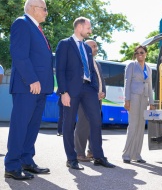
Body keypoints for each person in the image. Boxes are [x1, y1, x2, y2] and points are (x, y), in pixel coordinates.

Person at [55, 17, 115, 170]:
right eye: (88, 28)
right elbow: (60, 70)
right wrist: (63, 92)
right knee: (69, 123)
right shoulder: (65, 44)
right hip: (71, 89)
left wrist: (95, 88)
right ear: (80, 27)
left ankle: (98, 156)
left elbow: (92, 71)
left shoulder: (87, 49)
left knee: (96, 121)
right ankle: (71, 158)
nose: (90, 31)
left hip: (88, 89)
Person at [4, 0, 54, 180]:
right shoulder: (22, 24)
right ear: (34, 8)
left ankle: (26, 160)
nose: (46, 12)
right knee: (20, 125)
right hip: (28, 86)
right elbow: (19, 55)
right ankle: (12, 165)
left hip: (40, 87)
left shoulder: (37, 29)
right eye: (45, 8)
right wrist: (32, 79)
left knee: (32, 126)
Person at [74, 39, 106, 162]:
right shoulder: (81, 62)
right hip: (85, 99)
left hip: (98, 99)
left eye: (96, 46)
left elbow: (101, 80)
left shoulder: (97, 63)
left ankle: (92, 152)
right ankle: (79, 153)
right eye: (92, 46)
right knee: (83, 125)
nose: (95, 48)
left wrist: (103, 92)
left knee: (95, 126)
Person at [123, 45, 155, 164]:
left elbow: (150, 85)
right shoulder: (131, 65)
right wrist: (127, 100)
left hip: (144, 98)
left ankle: (137, 154)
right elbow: (127, 82)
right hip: (134, 97)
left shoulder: (149, 68)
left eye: (141, 52)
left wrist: (151, 102)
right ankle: (126, 154)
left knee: (141, 127)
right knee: (133, 125)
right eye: (137, 53)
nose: (139, 54)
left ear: (146, 53)